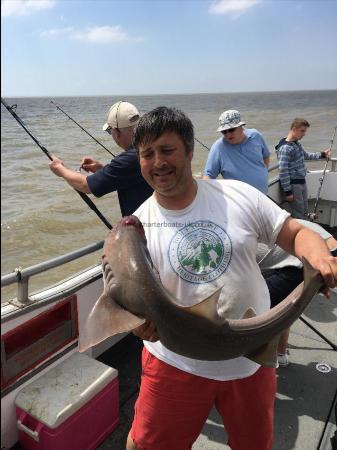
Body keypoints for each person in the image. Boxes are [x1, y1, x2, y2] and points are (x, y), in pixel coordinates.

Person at [125, 106, 336, 450]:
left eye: (167, 150)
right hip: (173, 362)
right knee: (146, 445)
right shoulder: (137, 227)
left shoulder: (237, 194)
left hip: (251, 357)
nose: (157, 162)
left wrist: (320, 257)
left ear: (190, 151)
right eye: (147, 154)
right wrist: (136, 323)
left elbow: (296, 233)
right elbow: (132, 302)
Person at [49, 101, 153, 216]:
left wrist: (60, 169)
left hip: (145, 229)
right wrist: (101, 169)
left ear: (116, 132)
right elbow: (128, 174)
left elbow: (85, 186)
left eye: (110, 131)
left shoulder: (131, 158)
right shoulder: (149, 148)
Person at [257, 219, 337, 367]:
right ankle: (279, 355)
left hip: (310, 259)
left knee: (261, 310)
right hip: (326, 249)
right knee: (285, 308)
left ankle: (265, 360)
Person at [203, 109, 270, 194]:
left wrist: (263, 173)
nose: (227, 134)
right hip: (240, 202)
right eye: (224, 131)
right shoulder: (218, 147)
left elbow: (266, 156)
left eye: (231, 130)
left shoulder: (256, 135)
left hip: (263, 195)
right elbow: (208, 176)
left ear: (241, 126)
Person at [275, 118, 331, 219]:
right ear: (294, 129)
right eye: (302, 131)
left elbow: (305, 155)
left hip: (301, 181)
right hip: (293, 185)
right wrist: (288, 192)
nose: (304, 134)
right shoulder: (285, 148)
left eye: (305, 131)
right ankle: (300, 231)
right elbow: (283, 171)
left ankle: (306, 226)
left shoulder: (296, 143)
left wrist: (322, 154)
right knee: (298, 212)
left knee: (304, 208)